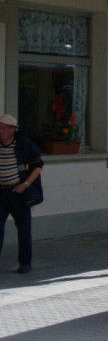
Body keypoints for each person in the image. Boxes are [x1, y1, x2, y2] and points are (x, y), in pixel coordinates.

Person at [0, 114, 43, 274]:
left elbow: (38, 165)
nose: (1, 131)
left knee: (24, 229)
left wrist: (25, 185)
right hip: (1, 192)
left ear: (12, 130)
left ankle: (25, 263)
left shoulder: (23, 145)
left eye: (4, 128)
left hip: (19, 193)